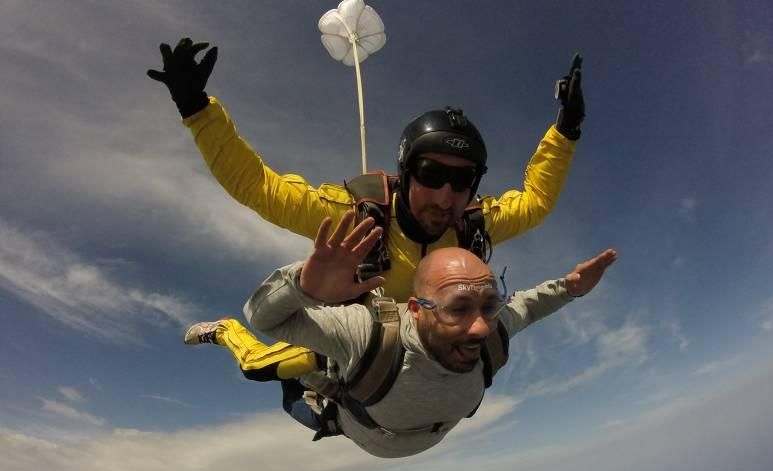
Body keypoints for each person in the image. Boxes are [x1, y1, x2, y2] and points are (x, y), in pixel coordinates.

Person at [148, 38, 587, 385]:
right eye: (431, 173)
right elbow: (259, 188)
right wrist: (198, 110)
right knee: (261, 367)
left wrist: (565, 132)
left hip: (407, 342)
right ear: (405, 172)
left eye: (463, 181)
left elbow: (535, 202)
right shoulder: (356, 218)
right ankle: (223, 330)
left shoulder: (471, 224)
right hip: (357, 336)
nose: (446, 195)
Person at [242, 212, 616, 458]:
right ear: (416, 310)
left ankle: (318, 360)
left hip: (386, 426)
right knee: (262, 371)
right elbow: (265, 319)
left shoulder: (492, 330)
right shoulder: (367, 331)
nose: (482, 327)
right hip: (345, 422)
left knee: (318, 359)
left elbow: (529, 305)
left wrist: (571, 287)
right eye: (457, 308)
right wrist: (302, 287)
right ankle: (234, 338)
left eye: (489, 305)